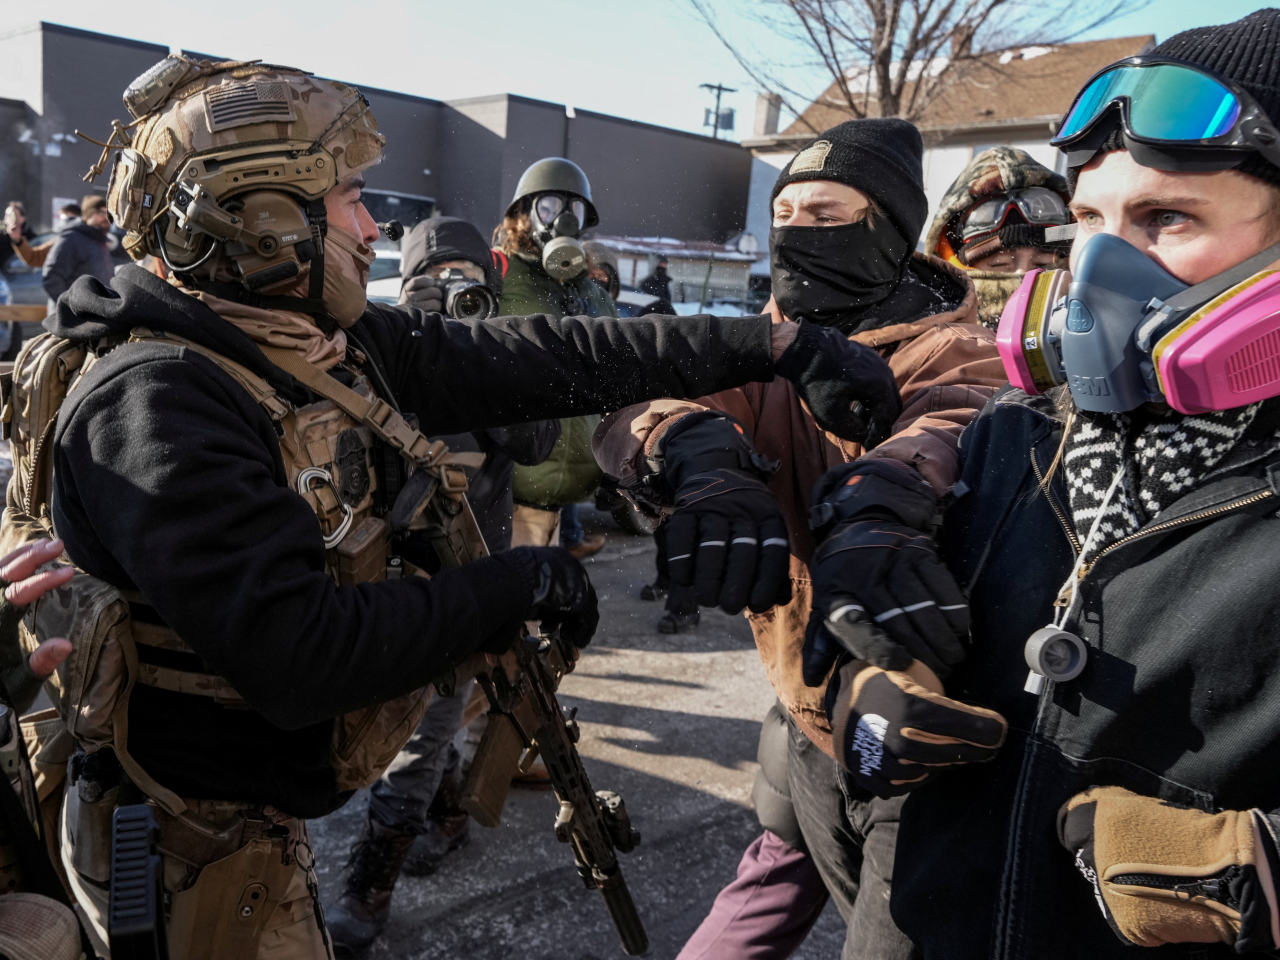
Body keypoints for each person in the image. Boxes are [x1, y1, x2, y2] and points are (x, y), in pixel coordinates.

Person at [23, 55, 893, 960]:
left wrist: (772, 344)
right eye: (353, 197)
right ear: (262, 221)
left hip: (255, 838)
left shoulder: (298, 340)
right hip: (189, 853)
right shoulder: (158, 400)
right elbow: (300, 656)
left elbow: (543, 353)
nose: (373, 227)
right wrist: (516, 583)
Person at [809, 11, 1280, 958]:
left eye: (1167, 219)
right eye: (1092, 221)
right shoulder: (1012, 439)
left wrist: (1258, 869)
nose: (1099, 269)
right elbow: (872, 637)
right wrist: (867, 685)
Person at [595, 117, 1007, 960]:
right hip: (802, 713)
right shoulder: (770, 339)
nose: (795, 235)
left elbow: (957, 418)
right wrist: (689, 449)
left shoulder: (953, 347)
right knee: (755, 903)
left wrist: (882, 495)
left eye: (825, 216)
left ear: (887, 230)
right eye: (783, 215)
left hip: (916, 730)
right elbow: (649, 402)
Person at [328, 215, 561, 956]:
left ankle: (369, 888)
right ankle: (448, 814)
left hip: (469, 579)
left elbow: (536, 445)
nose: (456, 290)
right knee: (404, 723)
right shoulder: (375, 348)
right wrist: (411, 339)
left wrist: (498, 359)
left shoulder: (490, 349)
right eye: (440, 277)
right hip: (382, 580)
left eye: (469, 278)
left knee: (422, 736)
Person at [497, 157, 615, 560]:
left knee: (545, 607)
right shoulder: (497, 276)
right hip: (505, 491)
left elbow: (617, 378)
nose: (563, 218)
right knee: (511, 606)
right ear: (523, 215)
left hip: (563, 500)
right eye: (549, 206)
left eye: (574, 208)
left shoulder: (595, 295)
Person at [923, 147, 1073, 328]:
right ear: (957, 267)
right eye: (1000, 265)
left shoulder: (1091, 331)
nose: (1023, 275)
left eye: (1041, 264)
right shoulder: (931, 342)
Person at [41, 194, 113, 306]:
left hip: (93, 316)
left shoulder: (100, 241)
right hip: (71, 320)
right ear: (88, 215)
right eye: (101, 213)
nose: (105, 218)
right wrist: (70, 309)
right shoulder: (71, 239)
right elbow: (52, 278)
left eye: (108, 213)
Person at [2, 202, 52, 270]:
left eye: (11, 215)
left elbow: (34, 260)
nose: (8, 219)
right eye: (6, 215)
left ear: (22, 218)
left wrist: (18, 240)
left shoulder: (32, 239)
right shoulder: (2, 235)